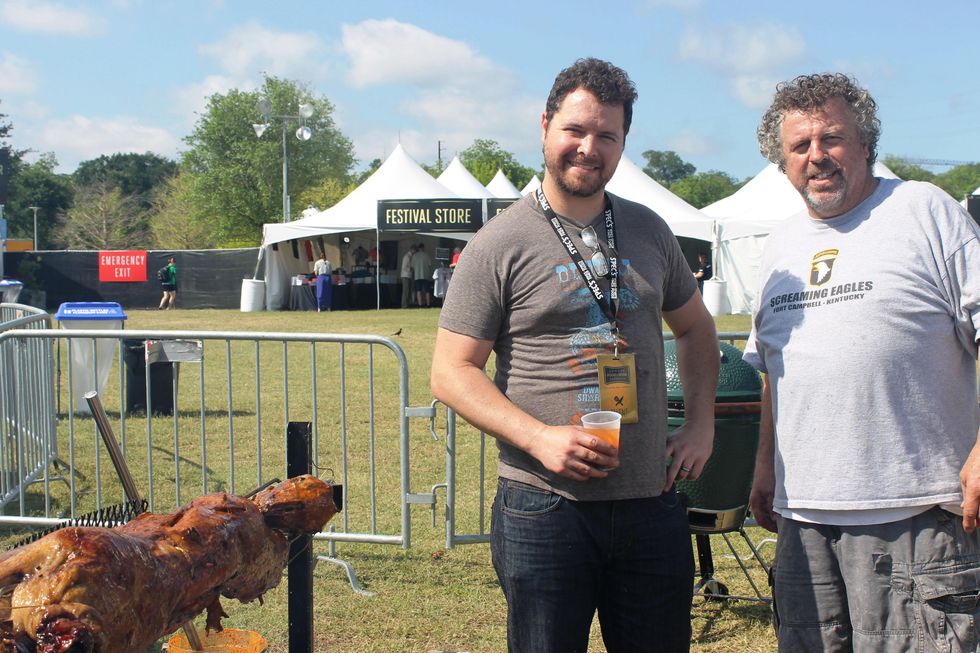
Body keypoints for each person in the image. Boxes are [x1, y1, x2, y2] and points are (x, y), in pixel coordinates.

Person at [431, 58, 719, 652]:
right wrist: (539, 438)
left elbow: (695, 329)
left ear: (622, 144)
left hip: (650, 502)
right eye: (576, 130)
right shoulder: (499, 242)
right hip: (544, 506)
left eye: (607, 136)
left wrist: (700, 424)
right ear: (545, 127)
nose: (589, 148)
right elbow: (451, 371)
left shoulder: (649, 230)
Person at [745, 73, 980, 652]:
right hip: (804, 525)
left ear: (867, 144)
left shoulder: (926, 210)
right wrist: (763, 469)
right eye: (799, 146)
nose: (817, 157)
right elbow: (778, 370)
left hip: (916, 515)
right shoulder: (779, 246)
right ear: (782, 161)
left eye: (833, 138)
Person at [411, 242, 434, 308]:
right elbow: (429, 265)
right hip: (425, 275)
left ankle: (420, 304)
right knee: (427, 291)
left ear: (418, 248)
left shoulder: (414, 256)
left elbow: (412, 266)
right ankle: (428, 304)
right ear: (423, 248)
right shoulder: (427, 255)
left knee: (419, 291)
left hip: (417, 276)